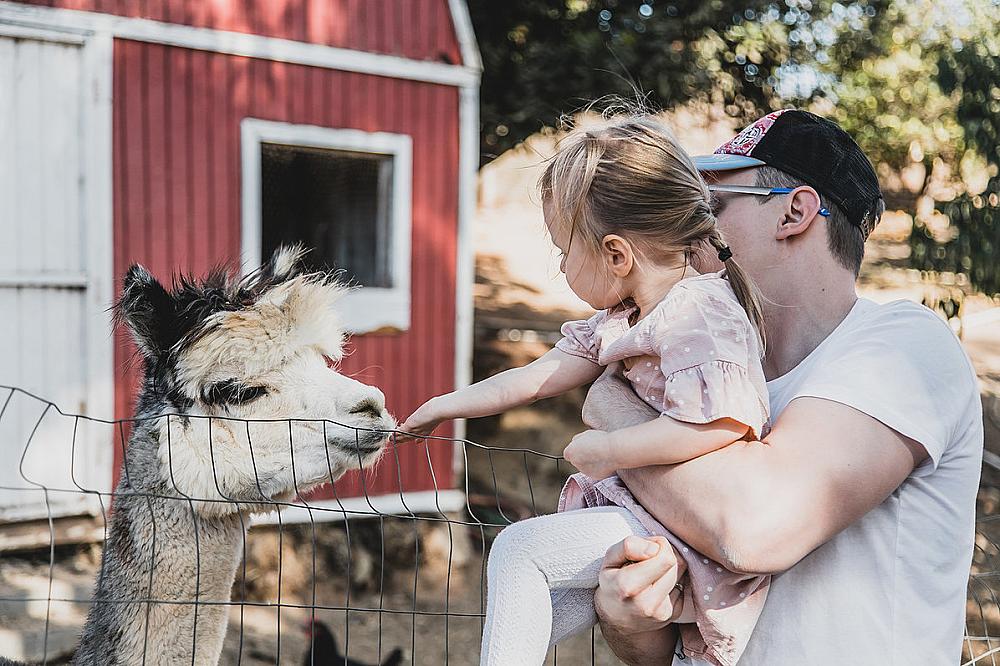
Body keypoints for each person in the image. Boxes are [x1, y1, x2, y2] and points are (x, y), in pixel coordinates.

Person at [591, 109, 984, 665]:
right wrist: (630, 622)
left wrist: (610, 406)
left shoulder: (906, 348)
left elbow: (754, 529)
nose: (681, 225)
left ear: (794, 212)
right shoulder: (698, 378)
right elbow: (670, 645)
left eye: (711, 205)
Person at [400, 115, 776, 665]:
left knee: (518, 550)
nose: (560, 266)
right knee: (536, 604)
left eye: (563, 251)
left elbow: (725, 423)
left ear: (617, 255)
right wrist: (442, 406)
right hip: (649, 516)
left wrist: (612, 449)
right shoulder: (623, 318)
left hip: (685, 527)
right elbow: (534, 378)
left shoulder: (700, 314)